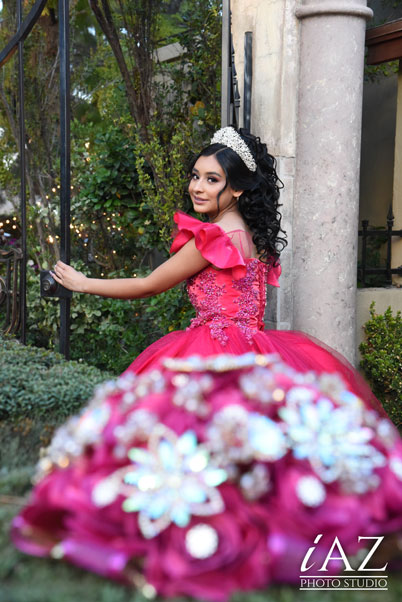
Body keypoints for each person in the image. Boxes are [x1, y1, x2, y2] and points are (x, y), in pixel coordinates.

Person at [12, 127, 402, 600]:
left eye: (212, 179)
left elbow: (149, 284)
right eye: (196, 176)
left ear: (235, 188)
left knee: (188, 445)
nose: (197, 186)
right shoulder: (249, 234)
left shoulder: (216, 236)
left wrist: (84, 283)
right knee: (247, 456)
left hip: (213, 351)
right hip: (256, 348)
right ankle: (246, 539)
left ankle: (198, 542)